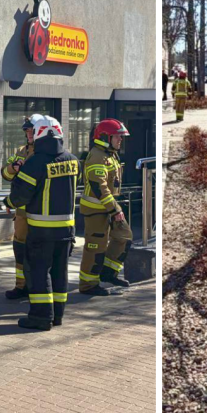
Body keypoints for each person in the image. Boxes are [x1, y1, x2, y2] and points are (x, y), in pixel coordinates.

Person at [7, 115, 79, 331]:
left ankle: (40, 317)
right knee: (60, 272)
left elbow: (20, 197)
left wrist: (7, 202)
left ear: (39, 134)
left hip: (41, 230)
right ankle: (57, 316)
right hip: (67, 230)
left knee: (38, 273)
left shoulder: (36, 162)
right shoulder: (73, 160)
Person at [78, 119, 133, 295]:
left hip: (108, 207)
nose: (120, 140)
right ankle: (88, 285)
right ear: (105, 137)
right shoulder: (97, 156)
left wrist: (113, 208)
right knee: (95, 246)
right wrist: (114, 209)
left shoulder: (109, 153)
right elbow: (98, 186)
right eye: (117, 136)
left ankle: (108, 273)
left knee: (124, 236)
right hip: (96, 210)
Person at [1, 115, 39, 299]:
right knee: (20, 248)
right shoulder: (21, 151)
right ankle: (21, 285)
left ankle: (37, 286)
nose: (29, 133)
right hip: (21, 212)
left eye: (32, 130)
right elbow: (5, 174)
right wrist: (13, 168)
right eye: (26, 131)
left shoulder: (44, 153)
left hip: (39, 211)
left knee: (38, 250)